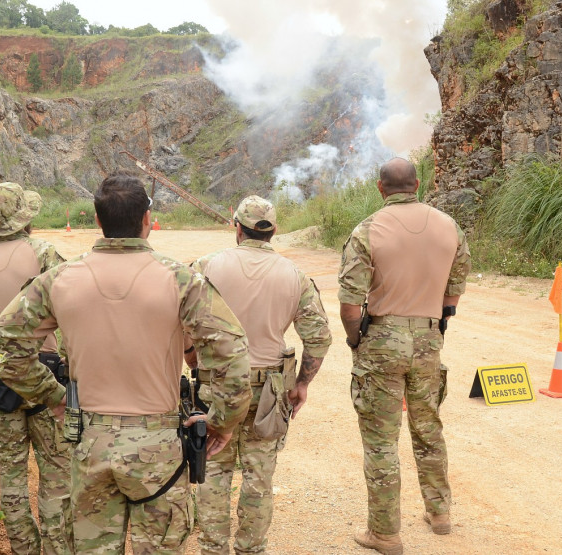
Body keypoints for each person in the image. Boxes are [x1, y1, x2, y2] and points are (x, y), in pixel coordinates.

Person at [0, 170, 252, 554]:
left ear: (97, 221)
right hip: (158, 449)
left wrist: (54, 397)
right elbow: (233, 356)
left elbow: (4, 346)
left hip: (89, 442)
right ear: (147, 220)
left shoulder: (58, 279)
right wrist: (222, 421)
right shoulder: (182, 280)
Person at [338, 158, 471, 555]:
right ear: (418, 184)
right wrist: (437, 325)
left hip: (381, 338)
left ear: (381, 188)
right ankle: (439, 513)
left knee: (381, 440)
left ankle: (385, 533)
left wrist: (356, 340)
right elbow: (454, 290)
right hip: (428, 338)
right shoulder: (450, 227)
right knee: (428, 428)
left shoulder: (367, 231)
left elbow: (349, 306)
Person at [187, 195, 332, 555]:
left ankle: (212, 548)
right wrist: (301, 384)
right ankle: (251, 549)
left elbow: (180, 326)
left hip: (216, 383)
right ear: (274, 231)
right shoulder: (295, 275)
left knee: (212, 473)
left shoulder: (204, 267)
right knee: (259, 476)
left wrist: (194, 361)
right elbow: (319, 336)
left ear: (236, 227)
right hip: (270, 390)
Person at [0, 182, 72, 555]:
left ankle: (24, 548)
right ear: (26, 217)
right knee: (56, 476)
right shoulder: (44, 253)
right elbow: (73, 310)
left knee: (11, 478)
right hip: (45, 374)